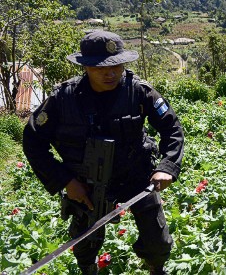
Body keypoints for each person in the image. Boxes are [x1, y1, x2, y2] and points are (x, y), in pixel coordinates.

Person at [23, 31, 184, 275]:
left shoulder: (139, 91)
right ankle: (88, 269)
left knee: (158, 242)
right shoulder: (62, 99)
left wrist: (168, 166)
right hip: (88, 184)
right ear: (86, 67)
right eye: (101, 68)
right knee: (86, 242)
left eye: (116, 66)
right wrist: (66, 181)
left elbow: (171, 127)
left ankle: (156, 268)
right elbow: (33, 140)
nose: (111, 73)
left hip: (137, 176)